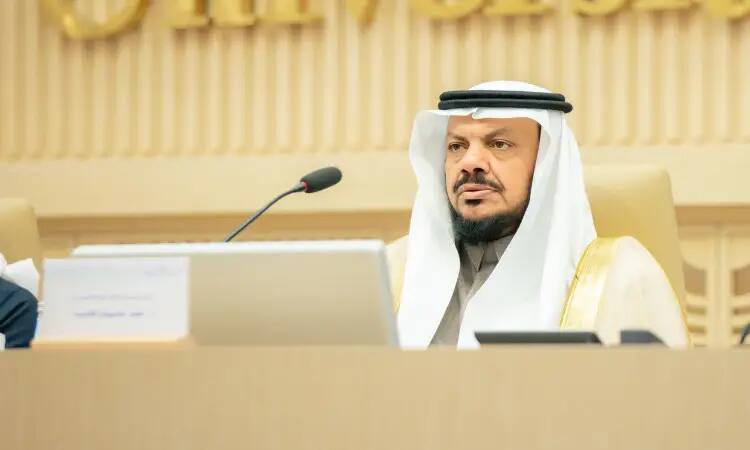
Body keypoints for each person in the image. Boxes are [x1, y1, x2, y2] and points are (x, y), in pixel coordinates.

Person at [388, 80, 689, 349]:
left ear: (547, 166)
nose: (470, 162)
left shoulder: (620, 276)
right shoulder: (393, 271)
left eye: (499, 144)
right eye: (456, 146)